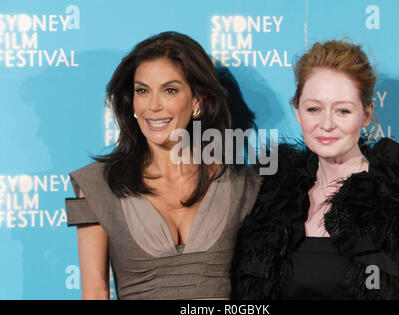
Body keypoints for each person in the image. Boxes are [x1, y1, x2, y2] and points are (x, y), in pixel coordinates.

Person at [231, 40, 399, 300]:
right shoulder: (272, 196)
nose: (327, 124)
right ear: (298, 112)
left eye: (343, 110)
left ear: (366, 115)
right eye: (314, 109)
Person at [65, 31, 261, 300]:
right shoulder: (98, 185)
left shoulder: (243, 185)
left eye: (169, 90)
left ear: (197, 100)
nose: (153, 106)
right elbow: (95, 292)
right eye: (142, 91)